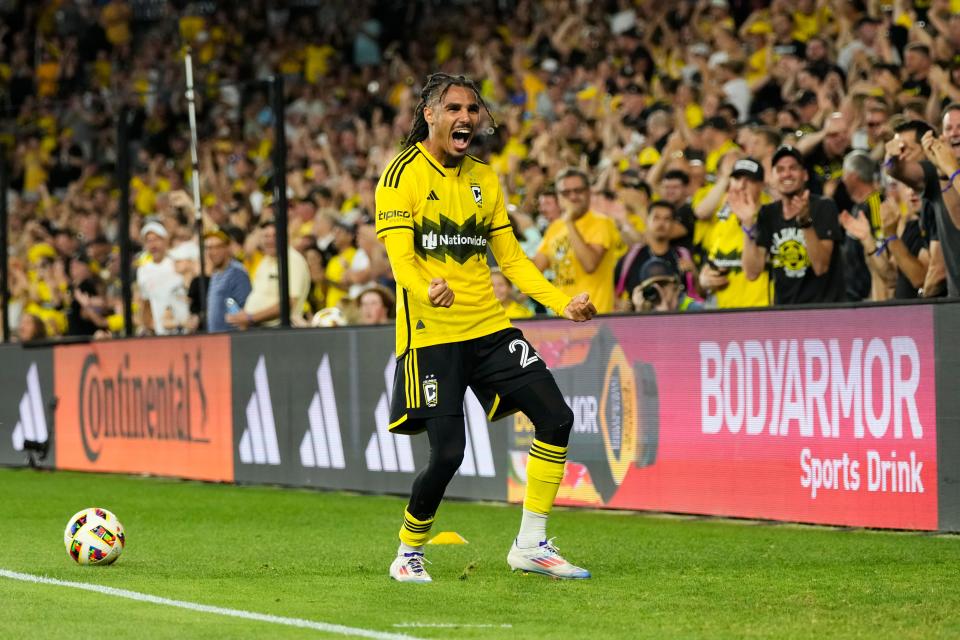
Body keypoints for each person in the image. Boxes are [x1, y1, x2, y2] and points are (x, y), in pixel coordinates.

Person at [374, 72, 596, 584]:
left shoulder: (484, 177)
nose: (466, 118)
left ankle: (530, 544)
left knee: (556, 418)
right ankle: (409, 551)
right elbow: (401, 261)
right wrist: (425, 287)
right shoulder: (399, 175)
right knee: (449, 452)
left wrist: (561, 304)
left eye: (472, 109)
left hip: (490, 327)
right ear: (430, 114)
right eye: (454, 108)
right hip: (431, 333)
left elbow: (512, 260)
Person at [736, 145, 846, 305]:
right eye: (780, 169)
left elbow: (821, 267)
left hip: (823, 311)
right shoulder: (768, 213)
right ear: (773, 177)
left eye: (793, 168)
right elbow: (752, 273)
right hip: (784, 314)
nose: (786, 173)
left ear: (805, 175)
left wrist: (805, 223)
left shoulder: (824, 206)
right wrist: (747, 225)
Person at [534, 167, 620, 314]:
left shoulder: (602, 223)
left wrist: (569, 222)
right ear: (559, 196)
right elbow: (536, 268)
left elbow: (590, 264)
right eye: (566, 193)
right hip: (564, 317)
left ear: (588, 192)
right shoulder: (555, 227)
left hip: (594, 317)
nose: (573, 197)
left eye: (578, 191)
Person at [227, 220, 311, 329]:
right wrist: (244, 316)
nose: (270, 240)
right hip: (260, 328)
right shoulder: (265, 261)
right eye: (266, 236)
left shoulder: (292, 260)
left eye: (275, 235)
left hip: (280, 329)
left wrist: (251, 317)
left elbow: (289, 302)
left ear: (286, 237)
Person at [136, 220, 190, 335]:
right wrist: (145, 326)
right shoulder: (143, 271)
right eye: (149, 241)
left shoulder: (177, 261)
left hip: (185, 329)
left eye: (156, 239)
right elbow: (146, 303)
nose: (153, 244)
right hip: (161, 332)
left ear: (165, 241)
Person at [204, 228, 252, 332]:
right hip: (216, 338)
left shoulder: (237, 272)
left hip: (232, 338)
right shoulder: (215, 274)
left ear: (228, 247)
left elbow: (245, 309)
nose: (213, 252)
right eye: (209, 248)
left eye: (217, 247)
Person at [632, 257, 703, 312]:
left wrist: (664, 314)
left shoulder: (695, 309)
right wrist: (639, 310)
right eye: (652, 287)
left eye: (662, 284)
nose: (659, 289)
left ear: (675, 285)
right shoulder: (649, 312)